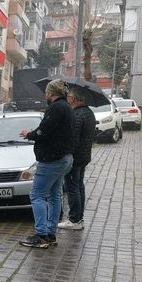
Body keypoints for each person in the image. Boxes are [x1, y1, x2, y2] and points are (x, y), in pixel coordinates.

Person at [18, 80, 76, 248]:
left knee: (36, 195)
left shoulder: (56, 108)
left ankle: (41, 235)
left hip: (51, 159)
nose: (45, 95)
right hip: (65, 157)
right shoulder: (68, 108)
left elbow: (44, 130)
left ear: (51, 93)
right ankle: (51, 234)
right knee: (54, 196)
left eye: (46, 92)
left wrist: (29, 134)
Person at [58, 87, 96, 230]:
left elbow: (72, 138)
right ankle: (79, 218)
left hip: (75, 158)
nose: (67, 98)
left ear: (73, 99)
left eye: (68, 96)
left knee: (72, 187)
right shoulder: (89, 112)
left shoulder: (77, 115)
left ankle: (74, 219)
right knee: (79, 186)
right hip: (84, 156)